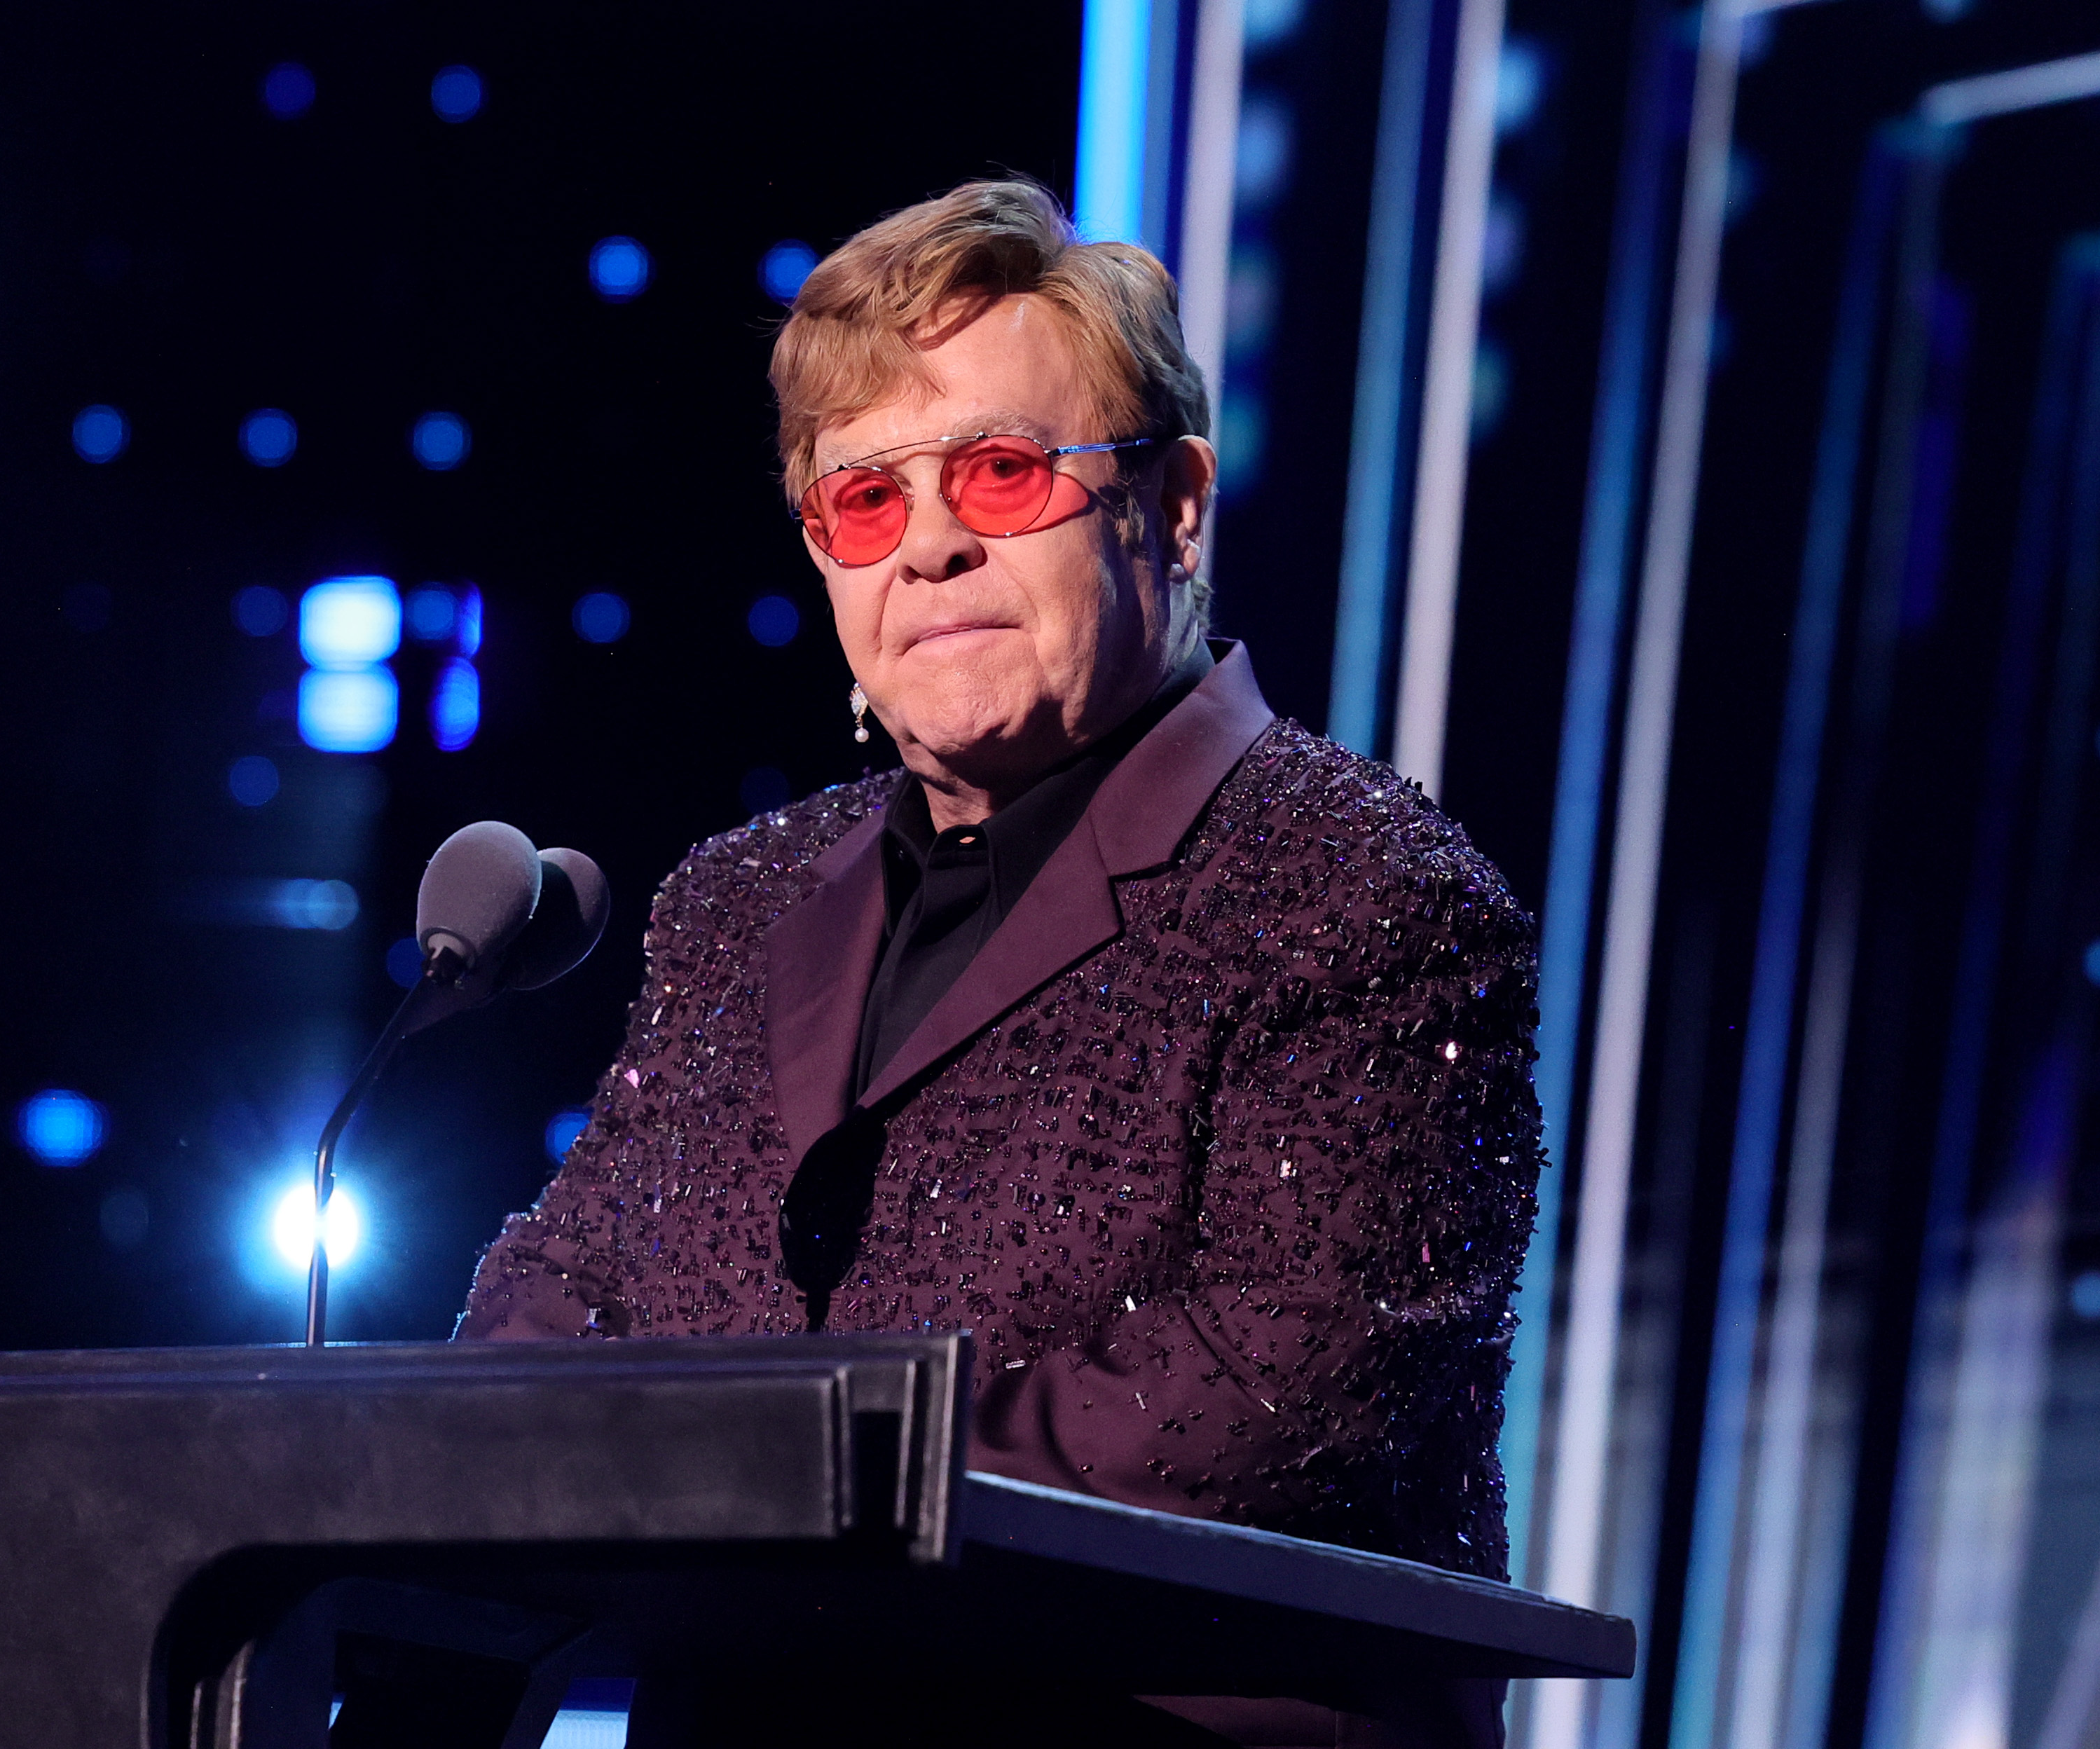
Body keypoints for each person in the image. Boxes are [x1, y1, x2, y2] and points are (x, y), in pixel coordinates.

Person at [458, 179, 1541, 1746]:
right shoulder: (739, 903)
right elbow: (556, 1302)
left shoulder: (1368, 894)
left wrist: (759, 1465)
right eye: (867, 502)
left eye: (1005, 472)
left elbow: (1276, 1402)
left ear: (1171, 504)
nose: (935, 549)